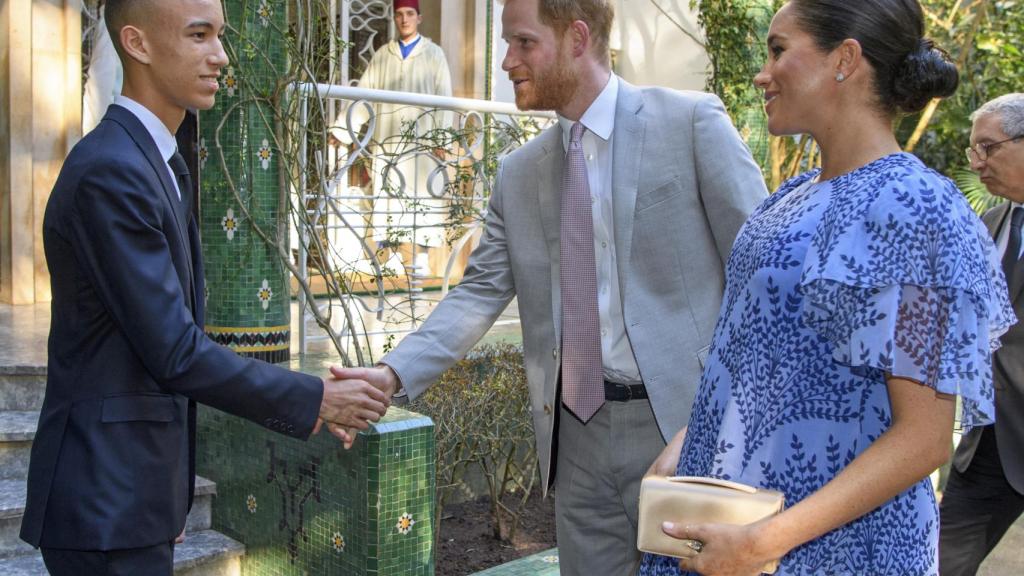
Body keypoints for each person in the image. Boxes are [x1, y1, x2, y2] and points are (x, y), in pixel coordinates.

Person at [331, 0, 767, 572]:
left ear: (577, 37)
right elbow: (478, 292)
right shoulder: (519, 172)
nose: (508, 59)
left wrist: (725, 412)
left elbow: (765, 280)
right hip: (576, 439)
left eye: (523, 42)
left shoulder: (689, 124)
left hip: (686, 432)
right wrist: (390, 374)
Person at [639, 1, 1017, 575]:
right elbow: (767, 360)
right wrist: (687, 444)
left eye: (779, 50)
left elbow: (923, 437)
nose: (762, 73)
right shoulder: (787, 196)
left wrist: (769, 540)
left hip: (832, 550)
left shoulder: (917, 209)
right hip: (731, 523)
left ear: (845, 59)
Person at [20, 1, 390, 575]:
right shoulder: (111, 170)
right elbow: (175, 351)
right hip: (103, 497)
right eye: (199, 36)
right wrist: (315, 398)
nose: (220, 56)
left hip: (134, 494)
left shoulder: (157, 157)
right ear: (138, 44)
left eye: (220, 35)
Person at [939, 93, 1024, 575]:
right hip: (991, 444)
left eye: (989, 148)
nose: (979, 163)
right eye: (974, 151)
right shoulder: (988, 225)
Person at [334, 0, 454, 276]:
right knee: (389, 197)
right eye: (399, 14)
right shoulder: (382, 55)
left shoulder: (434, 54)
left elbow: (444, 99)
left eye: (409, 14)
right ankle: (394, 256)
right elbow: (364, 95)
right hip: (388, 142)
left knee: (421, 197)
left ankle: (418, 258)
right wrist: (342, 129)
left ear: (419, 18)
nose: (404, 20)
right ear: (394, 18)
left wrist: (441, 141)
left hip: (422, 144)